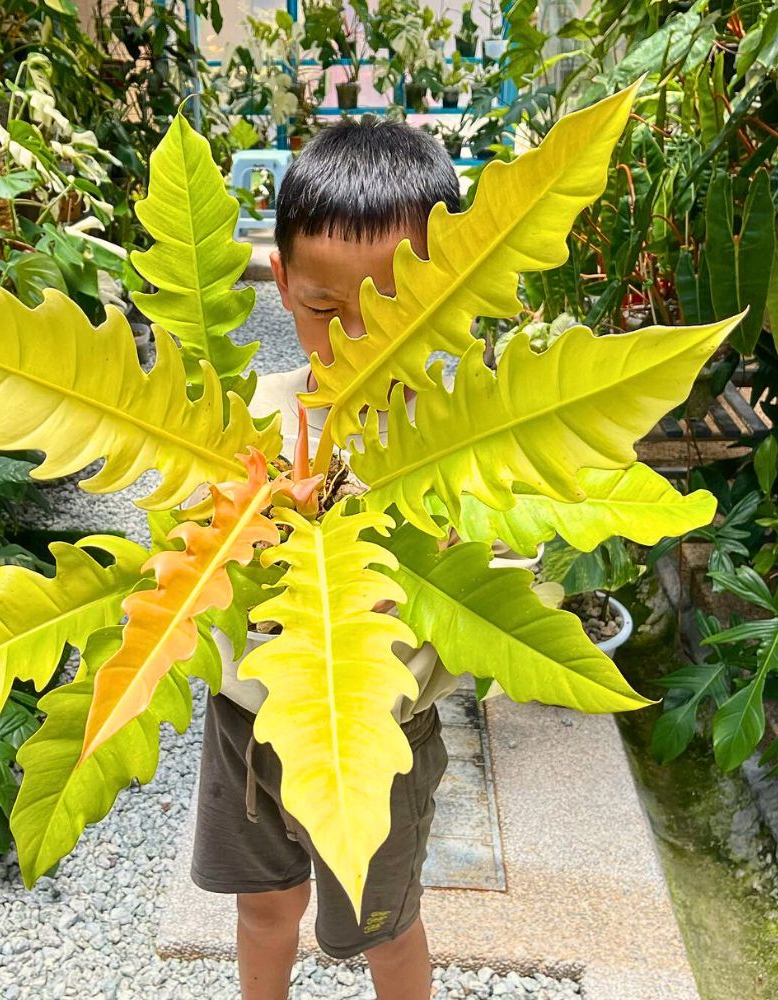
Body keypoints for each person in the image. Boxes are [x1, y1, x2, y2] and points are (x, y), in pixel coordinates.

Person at [191, 118, 463, 1000]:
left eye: (389, 311)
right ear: (280, 284)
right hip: (245, 729)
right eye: (321, 310)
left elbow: (488, 590)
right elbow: (193, 559)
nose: (355, 339)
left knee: (382, 929)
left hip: (378, 740)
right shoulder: (253, 424)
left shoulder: (453, 449)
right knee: (264, 909)